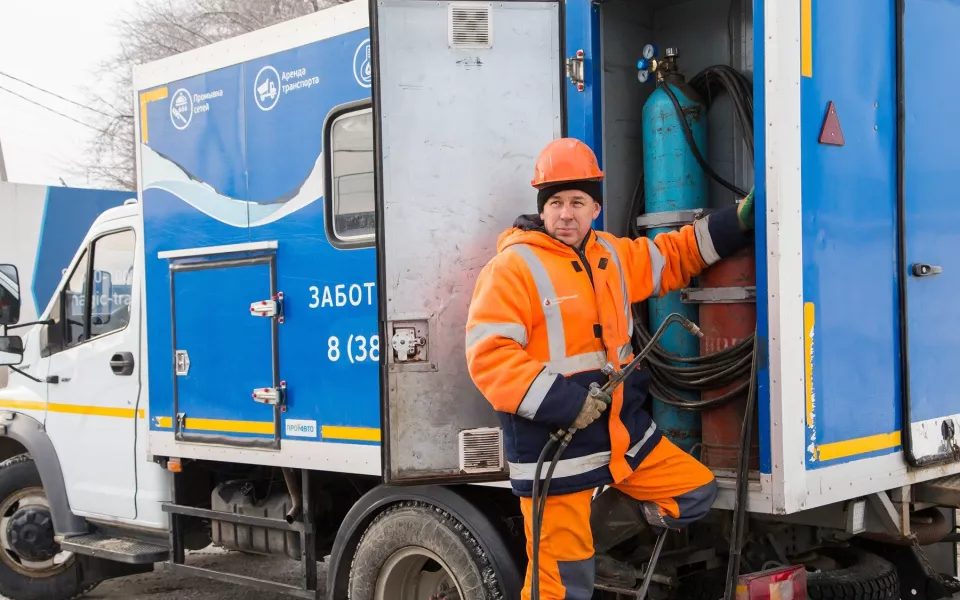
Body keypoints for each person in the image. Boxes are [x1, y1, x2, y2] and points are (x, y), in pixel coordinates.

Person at [464, 138, 755, 599]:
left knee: (696, 493)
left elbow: (675, 255)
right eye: (555, 202)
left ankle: (597, 527)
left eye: (577, 201)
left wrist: (736, 222)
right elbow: (489, 357)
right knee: (564, 587)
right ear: (542, 210)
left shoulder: (612, 256)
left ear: (595, 207)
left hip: (623, 441)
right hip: (555, 457)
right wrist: (565, 403)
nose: (565, 214)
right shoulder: (512, 268)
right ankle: (577, 540)